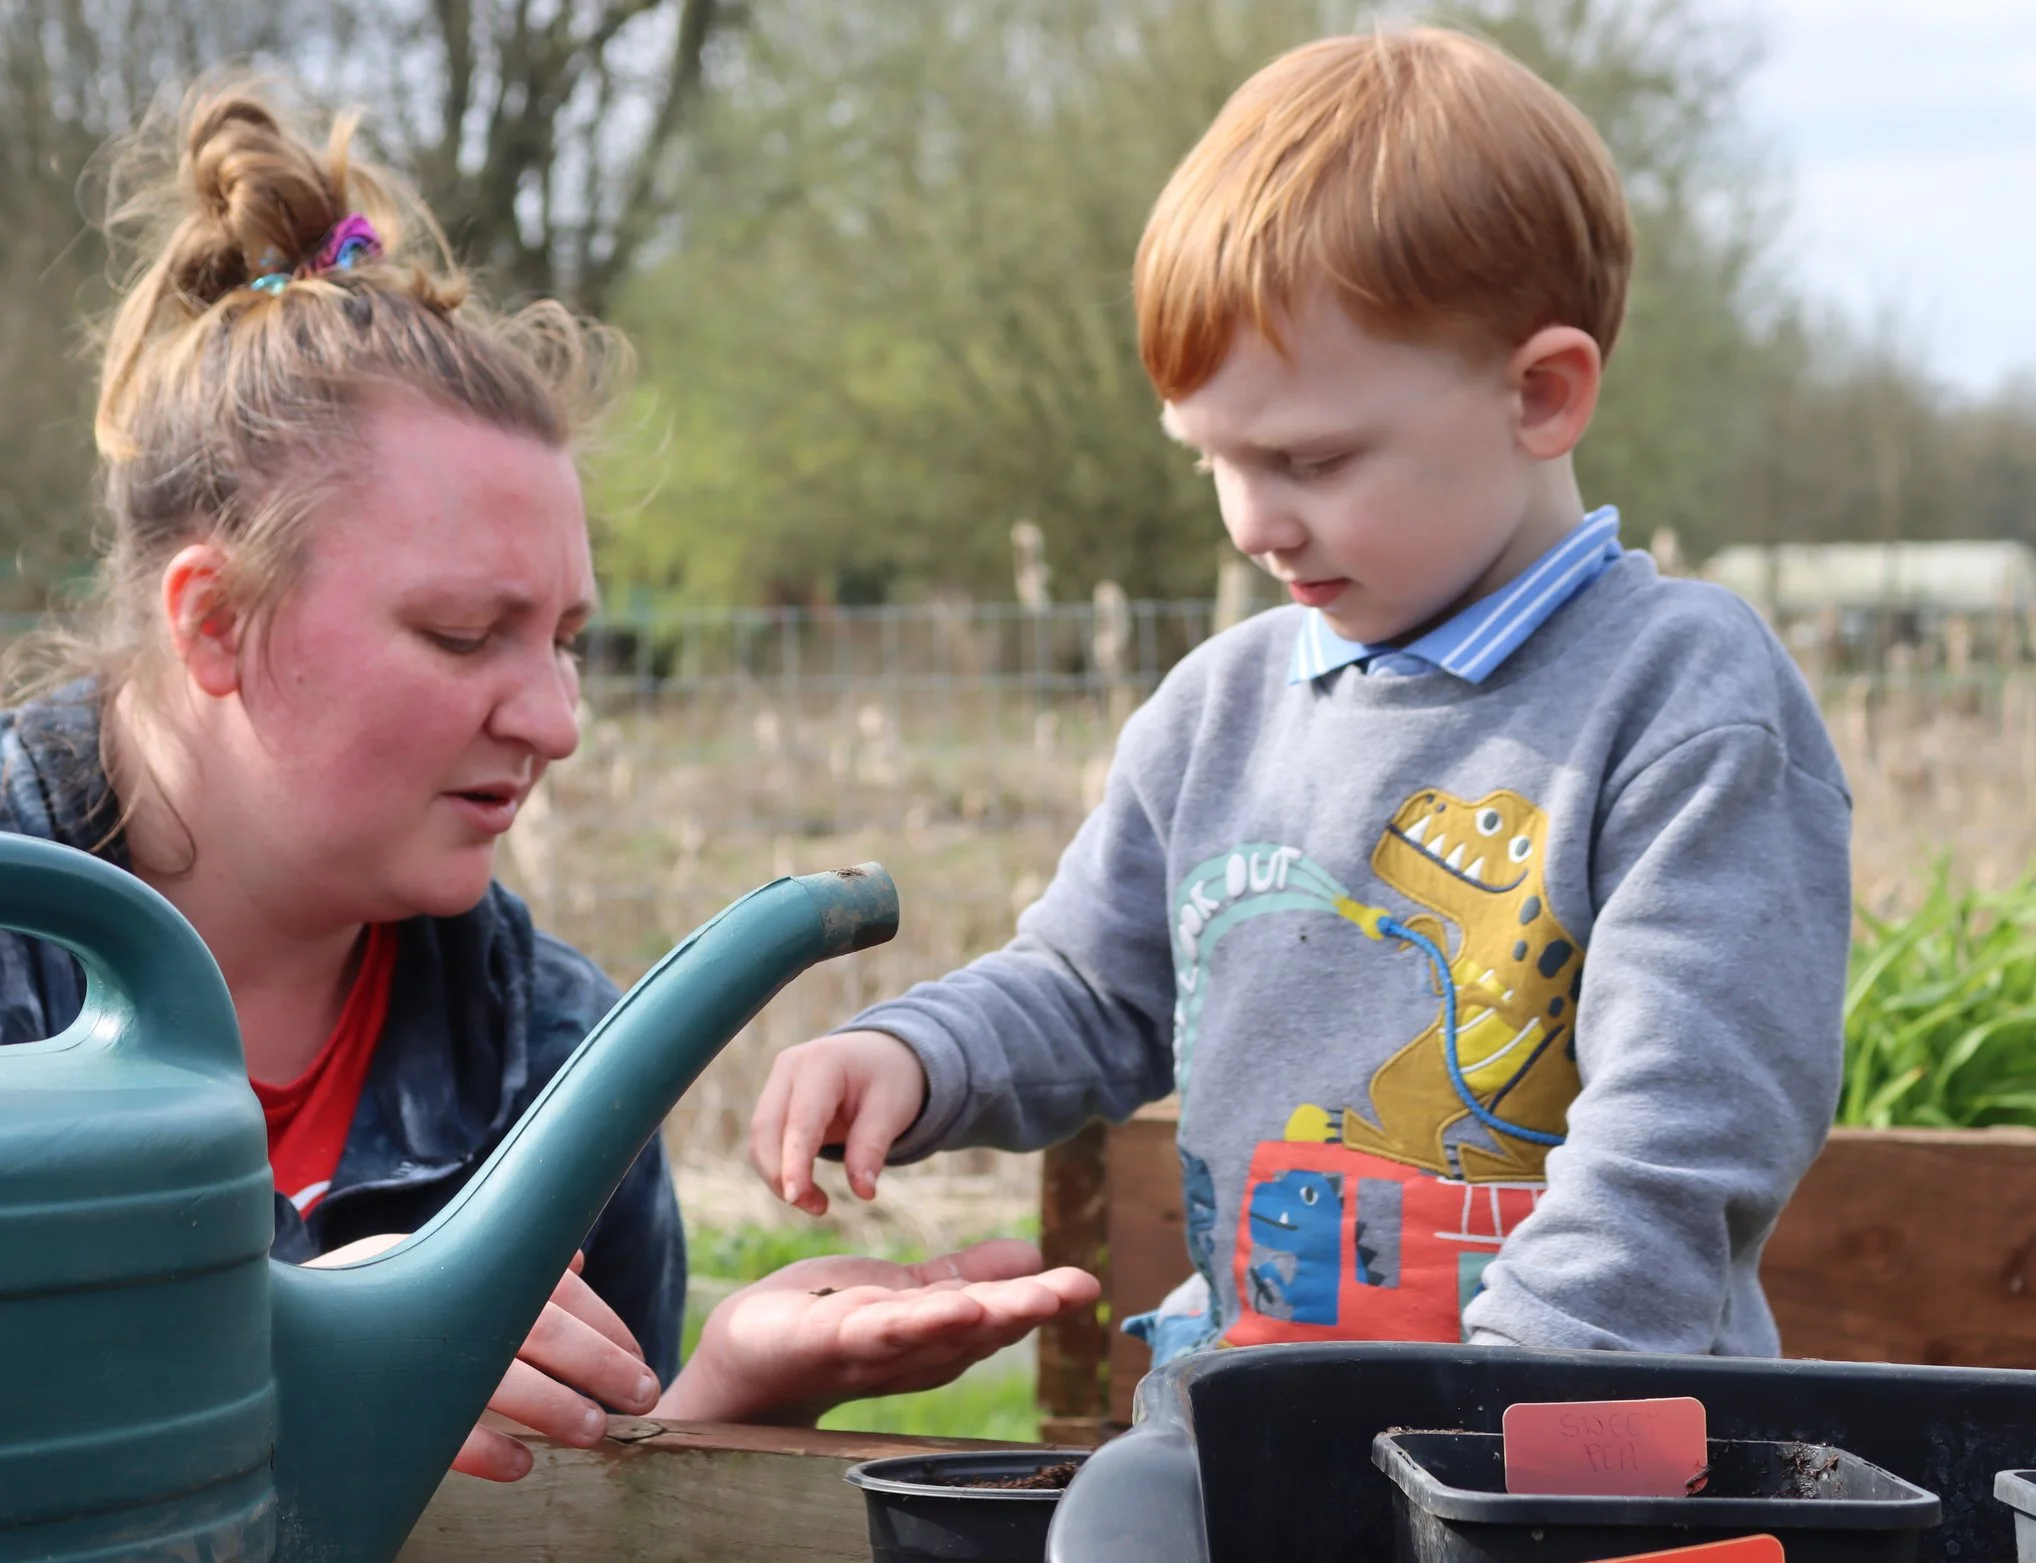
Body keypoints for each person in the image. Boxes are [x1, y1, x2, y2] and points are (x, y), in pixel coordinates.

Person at [0, 79, 1095, 1473]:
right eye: (465, 634)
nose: (555, 718)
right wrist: (260, 1348)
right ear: (216, 624)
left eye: (565, 640)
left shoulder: (545, 1061)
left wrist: (727, 1399)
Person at [750, 28, 1852, 1361]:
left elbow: (1692, 1112)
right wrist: (919, 1056)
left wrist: (1508, 1399)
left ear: (1541, 394)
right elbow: (1092, 989)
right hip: (1253, 1411)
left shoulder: (1680, 695)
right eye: (1213, 461)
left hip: (1579, 1437)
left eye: (1313, 461)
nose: (1253, 523)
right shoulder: (1218, 711)